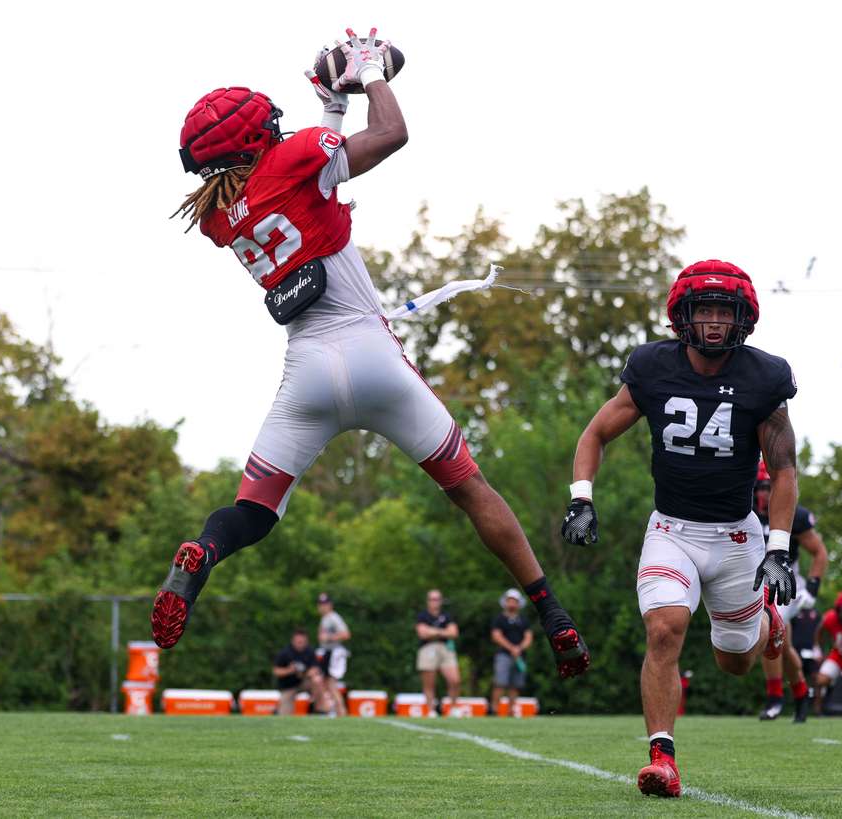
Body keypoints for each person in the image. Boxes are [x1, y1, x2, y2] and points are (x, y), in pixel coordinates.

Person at [150, 27, 588, 681]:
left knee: (252, 510)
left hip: (308, 376)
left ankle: (203, 553)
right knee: (470, 488)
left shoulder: (218, 219)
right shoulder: (294, 155)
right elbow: (390, 136)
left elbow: (304, 179)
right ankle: (551, 610)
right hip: (372, 357)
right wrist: (370, 73)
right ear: (254, 137)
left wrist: (331, 100)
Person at [562, 260, 800, 798]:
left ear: (743, 320)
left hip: (738, 537)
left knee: (735, 661)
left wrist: (780, 547)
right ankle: (662, 758)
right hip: (672, 529)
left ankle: (767, 626)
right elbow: (595, 433)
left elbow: (784, 470)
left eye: (725, 311)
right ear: (682, 316)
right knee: (665, 627)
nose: (715, 322)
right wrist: (581, 499)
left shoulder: (764, 378)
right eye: (705, 310)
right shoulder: (652, 367)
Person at [753, 461, 828, 722]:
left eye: (768, 487)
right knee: (782, 645)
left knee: (770, 629)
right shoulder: (744, 510)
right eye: (759, 487)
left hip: (785, 582)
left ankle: (775, 699)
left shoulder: (794, 514)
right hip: (755, 583)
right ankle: (801, 692)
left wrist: (814, 588)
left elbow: (819, 553)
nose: (763, 494)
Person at [273, 628, 335, 716]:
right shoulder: (284, 653)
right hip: (289, 685)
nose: (300, 644)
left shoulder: (309, 651)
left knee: (317, 680)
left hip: (304, 682)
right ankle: (278, 710)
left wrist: (310, 672)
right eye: (298, 642)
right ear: (293, 641)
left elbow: (316, 667)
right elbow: (276, 671)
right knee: (284, 714)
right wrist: (290, 670)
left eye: (302, 642)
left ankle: (321, 710)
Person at [417, 589, 461, 714]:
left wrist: (432, 631)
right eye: (432, 599)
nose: (434, 602)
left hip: (446, 649)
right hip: (427, 648)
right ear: (428, 601)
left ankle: (453, 708)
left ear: (441, 601)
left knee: (455, 680)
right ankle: (431, 710)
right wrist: (443, 632)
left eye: (437, 599)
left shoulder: (447, 616)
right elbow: (422, 633)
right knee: (429, 683)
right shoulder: (422, 616)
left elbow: (454, 632)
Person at [490, 588, 532, 715]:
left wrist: (520, 648)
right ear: (505, 602)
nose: (512, 603)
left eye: (515, 601)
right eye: (510, 600)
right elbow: (496, 636)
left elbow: (528, 637)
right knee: (500, 683)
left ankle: (511, 710)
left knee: (515, 685)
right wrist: (511, 648)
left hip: (519, 656)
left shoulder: (523, 620)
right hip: (504, 655)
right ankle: (494, 710)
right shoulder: (499, 619)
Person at [316, 592, 350, 715]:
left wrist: (329, 637)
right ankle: (333, 710)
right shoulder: (325, 618)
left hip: (334, 652)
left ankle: (341, 711)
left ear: (330, 605)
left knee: (331, 683)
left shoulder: (334, 617)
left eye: (325, 604)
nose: (322, 607)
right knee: (326, 683)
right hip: (328, 652)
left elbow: (346, 634)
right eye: (320, 604)